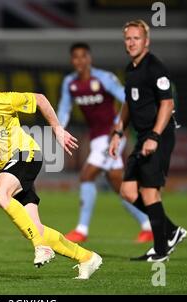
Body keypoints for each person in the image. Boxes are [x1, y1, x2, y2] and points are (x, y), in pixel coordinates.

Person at [0, 59, 102, 280]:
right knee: (33, 227)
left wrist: (57, 129)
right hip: (6, 169)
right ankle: (87, 257)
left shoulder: (4, 100)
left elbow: (39, 99)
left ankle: (41, 247)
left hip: (26, 155)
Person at [57, 42, 153, 243]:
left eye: (84, 56)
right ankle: (149, 224)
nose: (80, 60)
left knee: (87, 175)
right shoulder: (70, 83)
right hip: (97, 138)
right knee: (119, 184)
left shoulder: (104, 78)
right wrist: (59, 128)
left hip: (111, 137)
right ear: (72, 60)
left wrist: (120, 125)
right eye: (76, 57)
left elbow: (128, 99)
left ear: (89, 58)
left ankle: (81, 230)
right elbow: (64, 109)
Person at [109, 20, 187, 262]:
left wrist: (154, 136)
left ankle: (161, 250)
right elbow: (129, 104)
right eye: (128, 38)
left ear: (147, 41)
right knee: (127, 191)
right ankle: (172, 231)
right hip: (142, 137)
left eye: (136, 38)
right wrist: (118, 131)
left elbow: (168, 103)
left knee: (150, 191)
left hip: (159, 136)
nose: (131, 42)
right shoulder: (131, 69)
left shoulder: (155, 67)